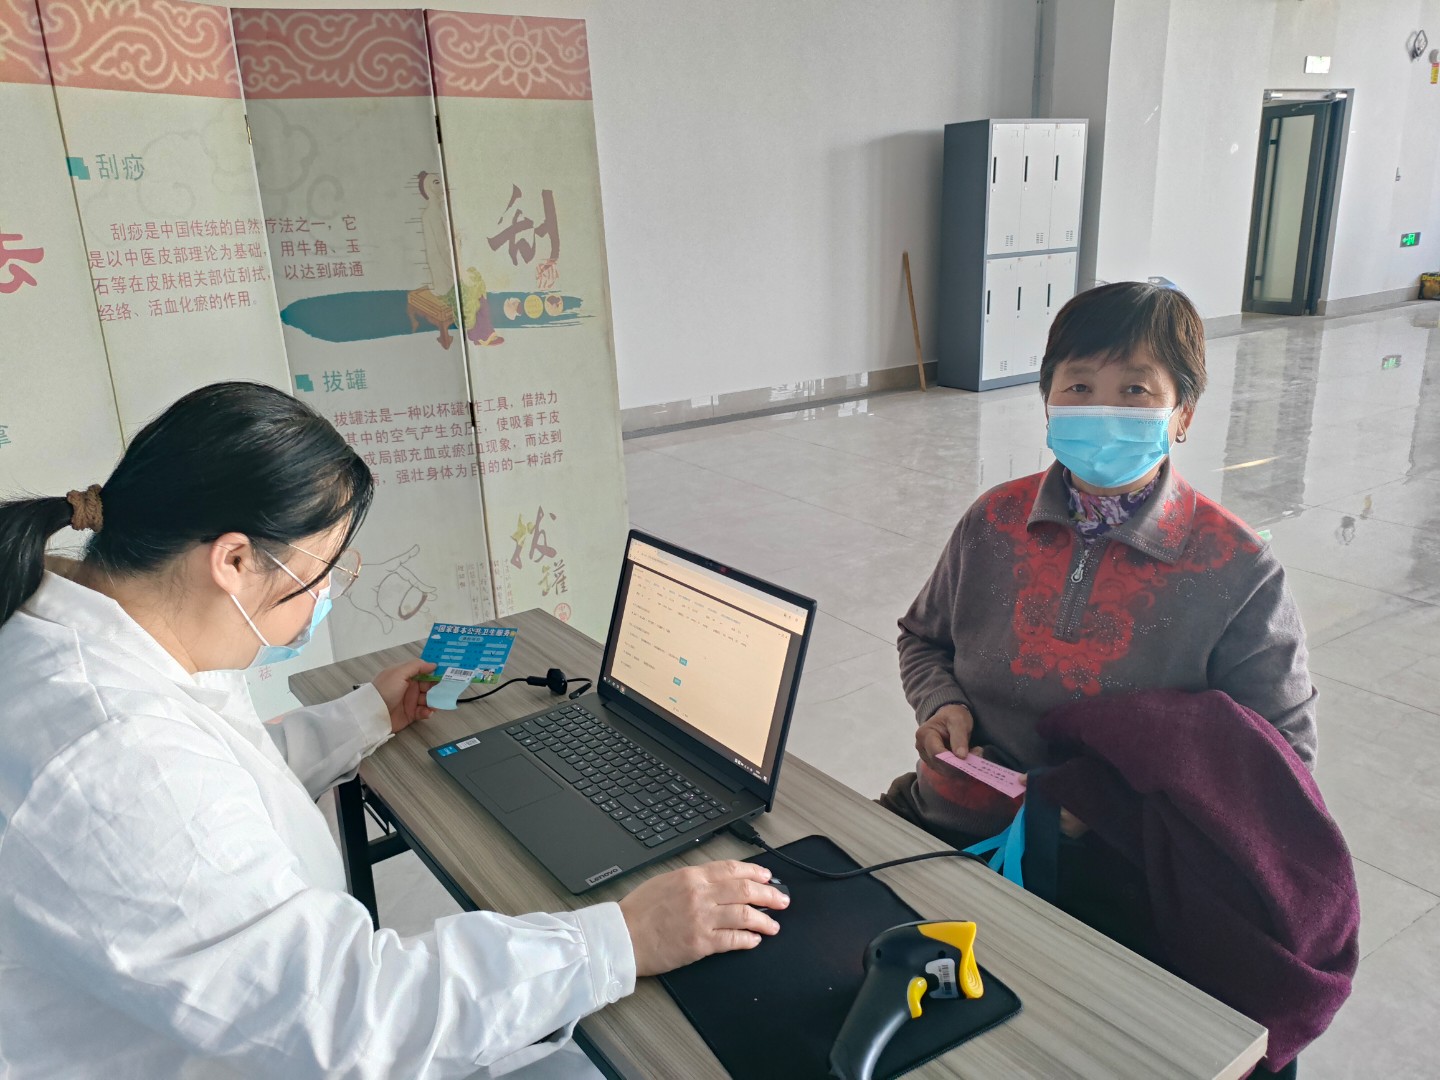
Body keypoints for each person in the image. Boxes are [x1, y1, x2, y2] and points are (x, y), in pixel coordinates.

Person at [0, 382, 788, 1080]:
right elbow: (349, 1021)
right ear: (232, 561)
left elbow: (224, 784)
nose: (325, 596)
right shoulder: (115, 756)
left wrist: (362, 715)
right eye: (322, 572)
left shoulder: (98, 638)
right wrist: (620, 939)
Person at [881, 281, 1318, 849]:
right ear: (1048, 402)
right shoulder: (994, 519)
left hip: (1113, 863)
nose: (1102, 411)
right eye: (1079, 386)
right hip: (946, 818)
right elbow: (922, 638)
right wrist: (942, 704)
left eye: (1135, 389)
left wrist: (1121, 807)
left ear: (1183, 414)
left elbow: (1282, 759)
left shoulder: (1238, 569)